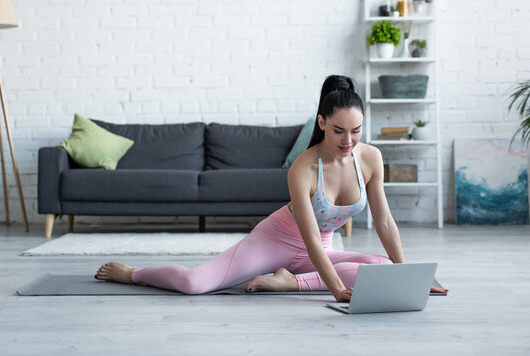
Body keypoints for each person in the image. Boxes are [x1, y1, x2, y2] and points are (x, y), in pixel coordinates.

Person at [96, 74, 447, 302]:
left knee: (383, 265)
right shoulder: (304, 168)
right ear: (322, 122)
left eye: (356, 131)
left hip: (317, 253)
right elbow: (309, 237)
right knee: (194, 284)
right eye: (339, 130)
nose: (348, 140)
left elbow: (384, 222)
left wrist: (409, 277)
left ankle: (290, 282)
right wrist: (337, 288)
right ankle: (132, 273)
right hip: (274, 243)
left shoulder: (370, 158)